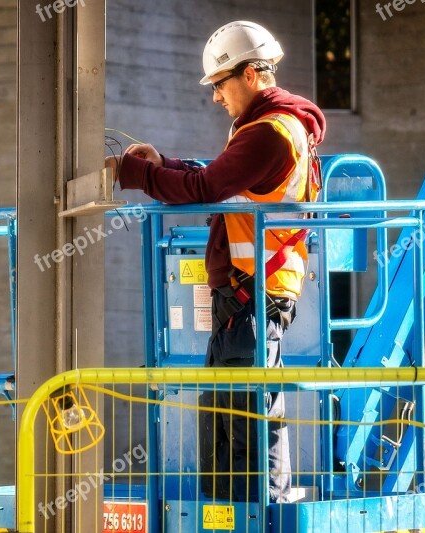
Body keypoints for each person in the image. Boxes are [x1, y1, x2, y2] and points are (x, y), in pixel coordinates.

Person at [105, 20, 326, 503]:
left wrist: (130, 172)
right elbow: (219, 177)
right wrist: (162, 164)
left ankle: (262, 514)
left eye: (220, 84)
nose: (215, 97)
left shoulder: (269, 132)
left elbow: (206, 189)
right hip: (248, 296)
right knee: (226, 416)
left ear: (250, 74)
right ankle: (230, 514)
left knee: (247, 417)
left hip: (254, 295)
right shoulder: (272, 126)